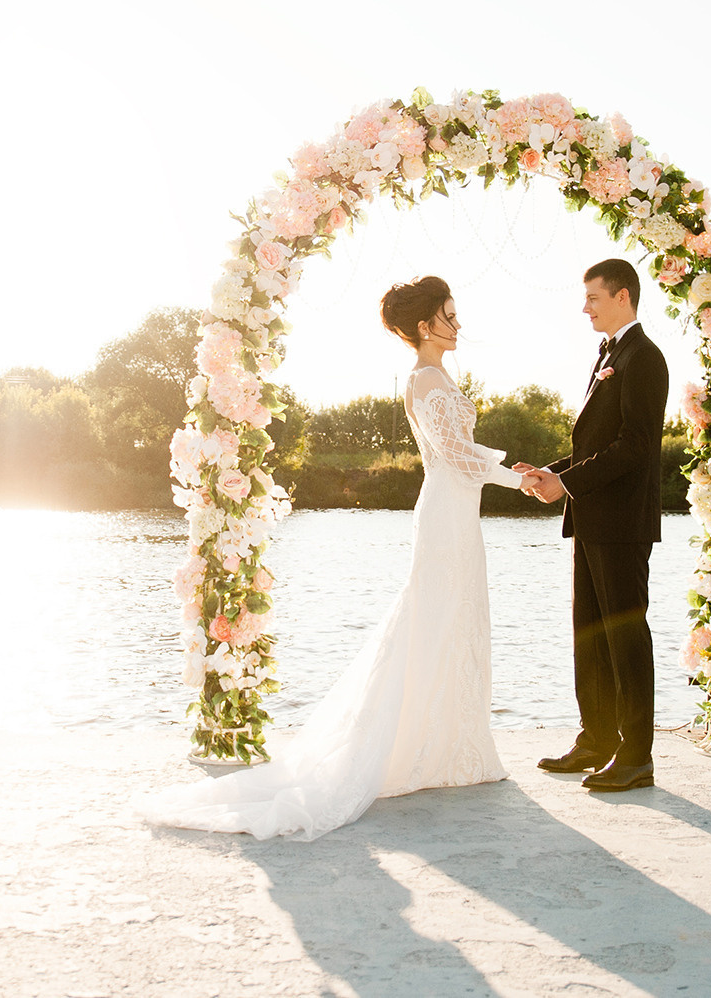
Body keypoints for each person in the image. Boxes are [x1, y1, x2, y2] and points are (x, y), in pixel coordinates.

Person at [140, 276, 539, 840]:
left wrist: (508, 471)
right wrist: (516, 477)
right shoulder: (424, 381)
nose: (458, 325)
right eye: (450, 316)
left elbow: (461, 450)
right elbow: (451, 455)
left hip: (458, 512)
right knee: (435, 618)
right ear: (426, 326)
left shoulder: (439, 375)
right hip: (446, 511)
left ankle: (454, 747)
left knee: (455, 620)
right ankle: (420, 750)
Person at [518, 259, 669, 792]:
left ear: (622, 296)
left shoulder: (644, 359)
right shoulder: (609, 355)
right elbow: (594, 446)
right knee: (589, 633)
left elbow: (635, 446)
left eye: (594, 298)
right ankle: (597, 738)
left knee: (626, 637)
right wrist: (551, 473)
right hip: (592, 520)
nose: (586, 307)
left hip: (623, 524)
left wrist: (569, 484)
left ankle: (637, 756)